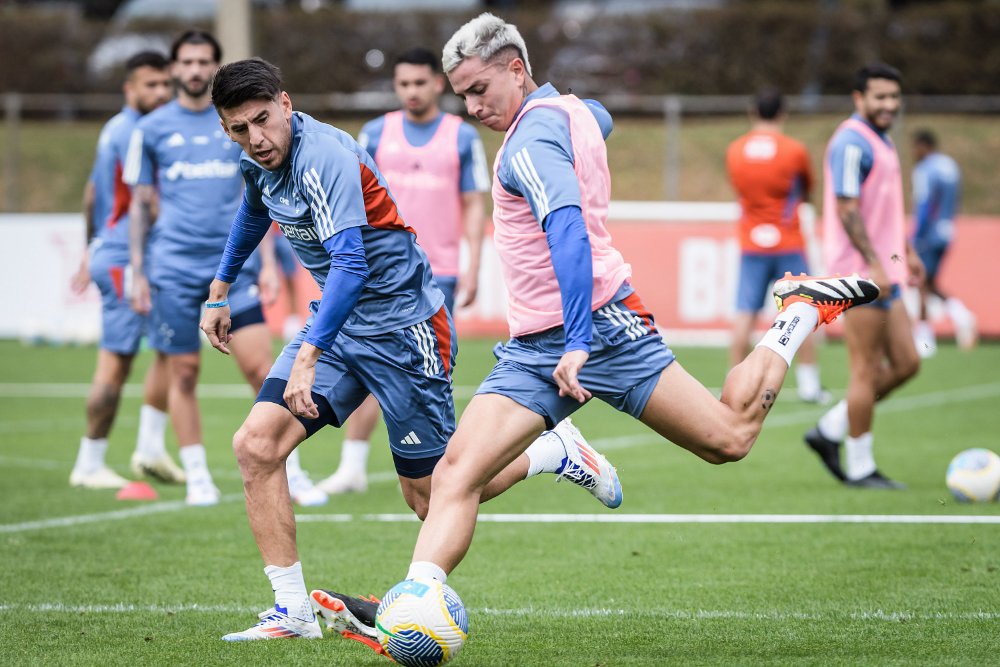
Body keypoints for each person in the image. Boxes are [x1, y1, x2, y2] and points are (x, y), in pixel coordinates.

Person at [306, 14, 880, 651]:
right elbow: (600, 117)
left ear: (516, 69)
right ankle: (411, 607)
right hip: (532, 347)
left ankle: (798, 310)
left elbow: (569, 233)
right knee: (451, 477)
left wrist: (579, 338)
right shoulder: (575, 112)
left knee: (729, 438)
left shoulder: (525, 146)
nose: (470, 108)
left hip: (600, 329)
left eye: (478, 90)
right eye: (461, 96)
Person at [200, 56, 622, 641]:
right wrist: (220, 284)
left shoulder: (325, 156)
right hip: (344, 325)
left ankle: (553, 453)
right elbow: (255, 207)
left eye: (263, 121)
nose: (255, 139)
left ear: (287, 103)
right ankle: (292, 611)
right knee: (256, 446)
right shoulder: (257, 158)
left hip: (406, 329)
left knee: (431, 499)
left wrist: (307, 354)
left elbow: (350, 265)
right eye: (238, 130)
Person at [125, 31, 324, 507]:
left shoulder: (243, 126)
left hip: (236, 271)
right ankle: (197, 476)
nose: (194, 69)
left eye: (203, 62)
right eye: (186, 61)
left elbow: (260, 201)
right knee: (184, 374)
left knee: (261, 368)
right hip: (172, 267)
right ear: (174, 68)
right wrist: (137, 269)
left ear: (213, 69)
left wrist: (271, 262)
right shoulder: (151, 130)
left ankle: (291, 469)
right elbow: (141, 203)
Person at [317, 47, 490, 496]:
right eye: (403, 84)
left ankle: (440, 465)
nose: (411, 91)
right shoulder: (375, 133)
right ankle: (353, 466)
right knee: (368, 362)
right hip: (377, 275)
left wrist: (474, 263)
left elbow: (474, 203)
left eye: (420, 83)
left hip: (438, 275)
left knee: (424, 375)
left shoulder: (462, 137)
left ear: (437, 83)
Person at [804, 63, 923, 489]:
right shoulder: (851, 142)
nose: (889, 104)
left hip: (887, 270)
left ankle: (830, 428)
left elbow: (883, 208)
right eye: (880, 97)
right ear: (859, 98)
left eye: (894, 96)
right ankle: (859, 467)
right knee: (865, 370)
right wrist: (875, 263)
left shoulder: (882, 140)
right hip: (861, 276)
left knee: (908, 362)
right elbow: (848, 208)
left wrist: (905, 251)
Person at [68, 50, 183, 489]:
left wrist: (88, 248)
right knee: (116, 364)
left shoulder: (115, 128)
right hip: (125, 257)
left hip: (114, 249)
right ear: (129, 88)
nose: (159, 93)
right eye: (149, 85)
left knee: (172, 349)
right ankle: (89, 461)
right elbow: (146, 201)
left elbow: (91, 194)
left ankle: (150, 447)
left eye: (163, 85)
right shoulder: (138, 133)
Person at [725, 88, 828, 404]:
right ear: (782, 113)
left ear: (752, 112)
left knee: (745, 313)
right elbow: (806, 190)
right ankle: (809, 385)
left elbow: (739, 189)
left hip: (752, 242)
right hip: (788, 241)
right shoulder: (793, 150)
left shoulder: (736, 150)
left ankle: (733, 384)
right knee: (803, 311)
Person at [909, 129, 975, 357]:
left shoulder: (925, 169)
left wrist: (916, 237)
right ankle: (962, 315)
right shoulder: (950, 165)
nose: (913, 152)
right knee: (931, 282)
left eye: (915, 147)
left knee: (921, 284)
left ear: (924, 145)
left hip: (929, 234)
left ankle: (925, 341)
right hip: (947, 230)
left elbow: (925, 204)